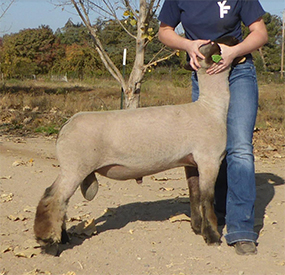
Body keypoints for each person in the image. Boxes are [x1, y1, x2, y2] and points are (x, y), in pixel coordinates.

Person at [158, 0, 268, 255]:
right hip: (205, 76)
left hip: (237, 70)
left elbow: (260, 32)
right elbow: (164, 31)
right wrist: (187, 45)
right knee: (209, 151)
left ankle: (241, 229)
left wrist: (233, 51)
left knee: (238, 146)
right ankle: (214, 214)